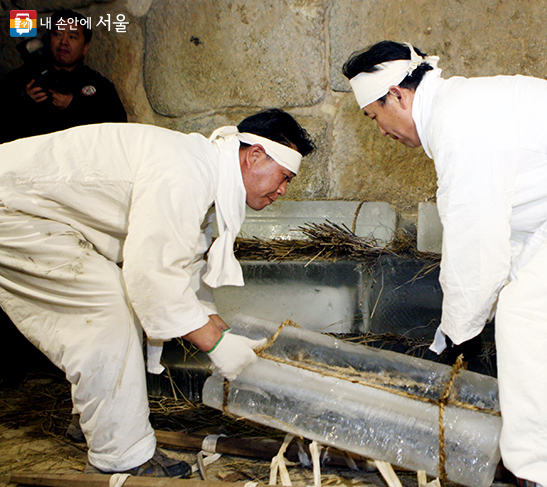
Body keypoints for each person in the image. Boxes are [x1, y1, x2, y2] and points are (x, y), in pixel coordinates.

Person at [342, 41, 547, 487]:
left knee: (535, 322)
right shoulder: (460, 110)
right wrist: (455, 332)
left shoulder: (460, 123)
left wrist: (459, 337)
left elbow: (475, 241)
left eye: (374, 116)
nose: (381, 130)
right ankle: (536, 462)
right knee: (528, 318)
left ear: (398, 96)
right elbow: (503, 241)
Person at [0, 109, 315, 477]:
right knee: (108, 314)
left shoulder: (205, 175)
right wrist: (216, 345)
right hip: (14, 210)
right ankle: (121, 461)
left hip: (34, 212)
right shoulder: (186, 171)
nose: (283, 190)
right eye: (284, 177)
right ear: (255, 155)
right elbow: (152, 274)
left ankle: (97, 424)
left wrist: (225, 338)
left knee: (111, 307)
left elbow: (183, 274)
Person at [0, 9, 127, 143]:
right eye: (57, 34)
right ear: (49, 38)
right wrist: (23, 103)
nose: (63, 42)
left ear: (85, 47)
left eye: (72, 37)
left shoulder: (99, 86)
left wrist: (74, 106)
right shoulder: (21, 78)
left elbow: (117, 131)